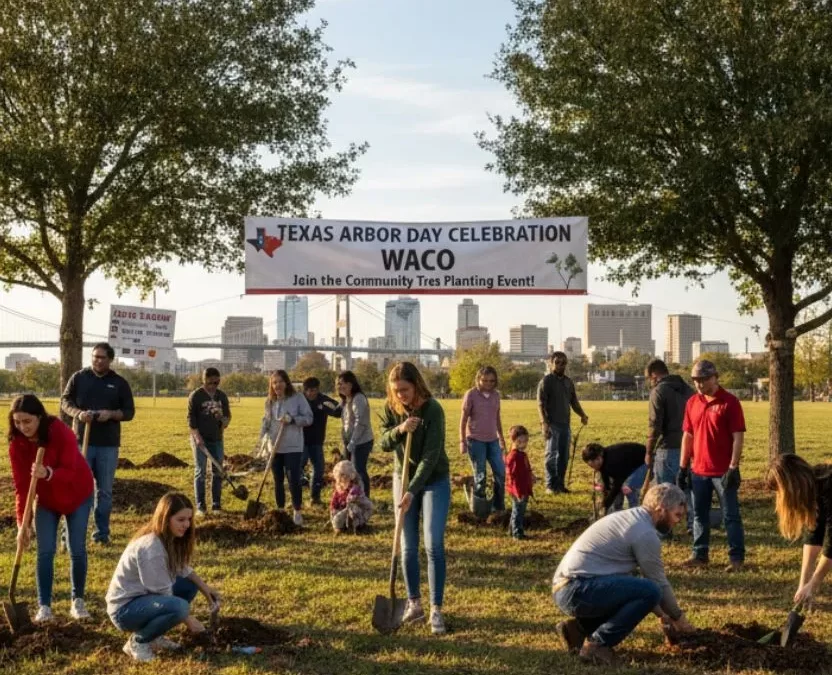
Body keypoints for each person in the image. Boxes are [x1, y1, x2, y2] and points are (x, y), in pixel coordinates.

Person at [552, 483, 694, 665]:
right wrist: (679, 618)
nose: (678, 521)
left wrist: (663, 616)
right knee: (651, 589)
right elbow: (658, 584)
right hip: (577, 589)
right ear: (661, 510)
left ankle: (578, 630)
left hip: (567, 587)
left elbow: (632, 587)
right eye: (677, 515)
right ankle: (598, 645)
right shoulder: (644, 533)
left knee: (641, 589)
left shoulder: (632, 518)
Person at [8, 394, 95, 623]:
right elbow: (22, 487)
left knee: (76, 548)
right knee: (45, 551)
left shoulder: (61, 433)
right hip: (47, 501)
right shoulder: (17, 444)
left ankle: (78, 601)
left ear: (39, 417)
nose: (22, 427)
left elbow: (71, 471)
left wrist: (47, 473)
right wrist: (22, 524)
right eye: (17, 422)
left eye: (27, 421)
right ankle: (44, 606)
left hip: (77, 494)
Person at [106, 492, 220, 663]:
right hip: (124, 610)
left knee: (188, 586)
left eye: (189, 519)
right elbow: (162, 593)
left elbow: (182, 568)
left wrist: (206, 589)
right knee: (180, 608)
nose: (187, 525)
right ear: (166, 519)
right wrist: (188, 619)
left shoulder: (167, 538)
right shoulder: (152, 548)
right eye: (180, 520)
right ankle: (139, 642)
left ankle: (154, 636)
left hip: (143, 599)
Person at [380, 361, 450, 635]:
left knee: (433, 544)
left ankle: (436, 609)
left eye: (405, 390)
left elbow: (431, 457)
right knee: (407, 545)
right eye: (395, 391)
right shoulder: (392, 408)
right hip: (402, 477)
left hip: (434, 479)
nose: (400, 396)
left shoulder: (433, 410)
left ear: (416, 385)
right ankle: (414, 604)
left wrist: (412, 491)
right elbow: (383, 443)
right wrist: (400, 430)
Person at [61, 342, 135, 545]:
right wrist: (78, 413)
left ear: (110, 360)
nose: (97, 360)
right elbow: (65, 401)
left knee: (104, 492)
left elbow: (129, 412)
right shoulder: (79, 378)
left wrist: (110, 414)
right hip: (81, 442)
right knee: (76, 489)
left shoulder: (119, 383)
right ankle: (69, 535)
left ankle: (101, 534)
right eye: (94, 356)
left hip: (107, 445)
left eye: (102, 357)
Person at [676, 359, 746, 571]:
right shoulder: (692, 403)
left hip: (723, 472)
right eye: (696, 379)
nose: (699, 383)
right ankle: (700, 555)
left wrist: (733, 467)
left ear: (715, 377)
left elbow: (738, 437)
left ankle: (736, 559)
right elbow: (687, 435)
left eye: (704, 379)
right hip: (698, 471)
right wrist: (682, 467)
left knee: (730, 516)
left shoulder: (730, 402)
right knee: (698, 515)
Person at [765, 454, 832, 609]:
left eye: (779, 491)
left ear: (791, 485)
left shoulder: (829, 487)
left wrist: (813, 584)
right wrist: (803, 585)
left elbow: (831, 545)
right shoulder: (813, 486)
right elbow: (813, 535)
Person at [258, 370, 313, 526]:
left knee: (293, 479)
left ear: (287, 383)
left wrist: (293, 419)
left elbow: (309, 418)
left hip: (293, 446)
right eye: (274, 382)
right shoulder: (270, 401)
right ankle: (280, 511)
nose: (277, 385)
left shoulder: (298, 398)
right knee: (277, 480)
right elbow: (266, 422)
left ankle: (297, 511)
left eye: (280, 381)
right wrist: (264, 438)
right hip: (275, 447)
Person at [645, 358, 694, 532]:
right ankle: (692, 526)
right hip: (689, 448)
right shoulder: (689, 390)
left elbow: (654, 424)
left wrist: (649, 451)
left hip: (667, 448)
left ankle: (663, 529)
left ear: (654, 375)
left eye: (649, 379)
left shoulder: (658, 391)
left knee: (663, 492)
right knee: (687, 489)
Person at [537, 351, 588, 494]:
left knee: (564, 456)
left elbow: (574, 402)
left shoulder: (568, 382)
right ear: (551, 363)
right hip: (551, 424)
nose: (560, 365)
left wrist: (583, 415)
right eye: (557, 362)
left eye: (563, 362)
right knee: (551, 456)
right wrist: (544, 423)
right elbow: (540, 404)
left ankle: (560, 485)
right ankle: (550, 485)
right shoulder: (546, 381)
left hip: (565, 425)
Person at [459, 366, 506, 513]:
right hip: (475, 440)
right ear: (478, 379)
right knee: (480, 476)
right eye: (484, 380)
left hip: (493, 440)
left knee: (501, 473)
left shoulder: (496, 395)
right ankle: (479, 509)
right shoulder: (471, 395)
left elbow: (497, 418)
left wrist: (501, 438)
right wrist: (462, 440)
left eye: (491, 381)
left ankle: (497, 507)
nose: (488, 384)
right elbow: (463, 419)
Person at [187, 367, 231, 517]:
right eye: (210, 382)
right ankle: (200, 506)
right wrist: (197, 438)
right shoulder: (196, 396)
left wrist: (222, 419)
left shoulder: (221, 396)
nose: (213, 385)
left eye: (216, 382)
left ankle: (216, 505)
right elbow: (191, 422)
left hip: (217, 439)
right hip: (199, 438)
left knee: (218, 471)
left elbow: (227, 420)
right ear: (203, 380)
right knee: (200, 471)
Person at [300, 377, 341, 506]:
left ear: (318, 390)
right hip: (300, 441)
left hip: (317, 441)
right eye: (309, 391)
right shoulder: (299, 400)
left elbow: (337, 411)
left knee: (318, 469)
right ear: (305, 390)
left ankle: (315, 497)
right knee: (298, 469)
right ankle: (297, 498)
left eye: (314, 390)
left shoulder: (323, 400)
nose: (312, 393)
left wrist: (329, 408)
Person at [582, 442, 649, 513]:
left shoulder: (612, 461)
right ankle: (617, 512)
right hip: (629, 465)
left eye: (592, 466)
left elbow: (618, 484)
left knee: (629, 488)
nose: (593, 469)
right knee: (615, 489)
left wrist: (607, 502)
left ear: (598, 458)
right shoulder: (603, 456)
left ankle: (636, 511)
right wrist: (607, 489)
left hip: (643, 462)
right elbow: (604, 473)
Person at [337, 371, 374, 498]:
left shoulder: (358, 398)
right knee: (348, 470)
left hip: (362, 441)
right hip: (350, 440)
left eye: (343, 384)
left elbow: (361, 423)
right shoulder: (346, 399)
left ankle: (364, 497)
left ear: (351, 384)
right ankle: (351, 495)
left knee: (359, 470)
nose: (340, 386)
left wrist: (353, 441)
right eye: (338, 384)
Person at [505, 425, 534, 540]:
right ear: (514, 441)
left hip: (523, 488)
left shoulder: (522, 454)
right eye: (520, 441)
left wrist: (531, 476)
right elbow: (512, 476)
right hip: (518, 490)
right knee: (518, 511)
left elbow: (527, 468)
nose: (524, 444)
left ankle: (511, 530)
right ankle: (517, 533)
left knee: (517, 510)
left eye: (526, 441)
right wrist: (517, 492)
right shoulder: (514, 456)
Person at [329, 460, 374, 533]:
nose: (342, 480)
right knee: (337, 520)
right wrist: (333, 507)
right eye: (340, 478)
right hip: (341, 510)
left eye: (345, 477)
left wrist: (353, 498)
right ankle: (340, 526)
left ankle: (356, 525)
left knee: (354, 509)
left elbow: (359, 499)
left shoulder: (355, 487)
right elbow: (334, 500)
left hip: (354, 510)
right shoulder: (339, 487)